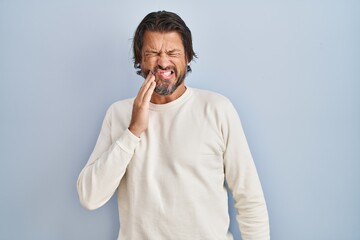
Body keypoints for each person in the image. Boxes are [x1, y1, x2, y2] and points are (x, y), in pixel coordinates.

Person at [77, 10, 270, 240]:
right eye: (152, 53)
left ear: (187, 56)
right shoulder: (118, 114)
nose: (163, 62)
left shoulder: (217, 109)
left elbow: (249, 198)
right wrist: (133, 131)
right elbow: (90, 196)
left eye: (172, 52)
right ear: (140, 59)